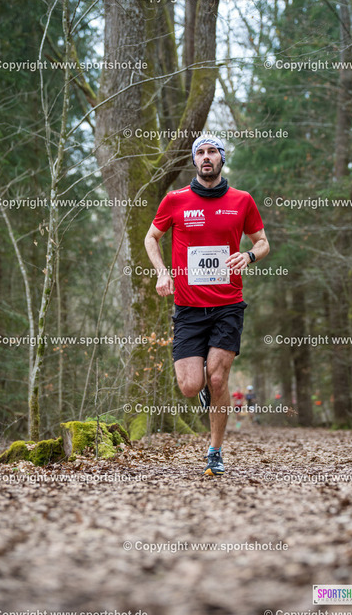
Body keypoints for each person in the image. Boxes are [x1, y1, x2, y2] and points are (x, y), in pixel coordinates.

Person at [144, 134, 270, 475]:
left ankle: (215, 451)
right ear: (194, 160)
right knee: (190, 386)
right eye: (200, 152)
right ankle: (204, 391)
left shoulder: (242, 200)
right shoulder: (175, 200)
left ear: (221, 158)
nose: (206, 157)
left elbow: (262, 242)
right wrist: (162, 272)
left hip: (228, 304)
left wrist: (249, 255)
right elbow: (151, 237)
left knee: (217, 378)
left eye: (212, 151)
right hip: (188, 307)